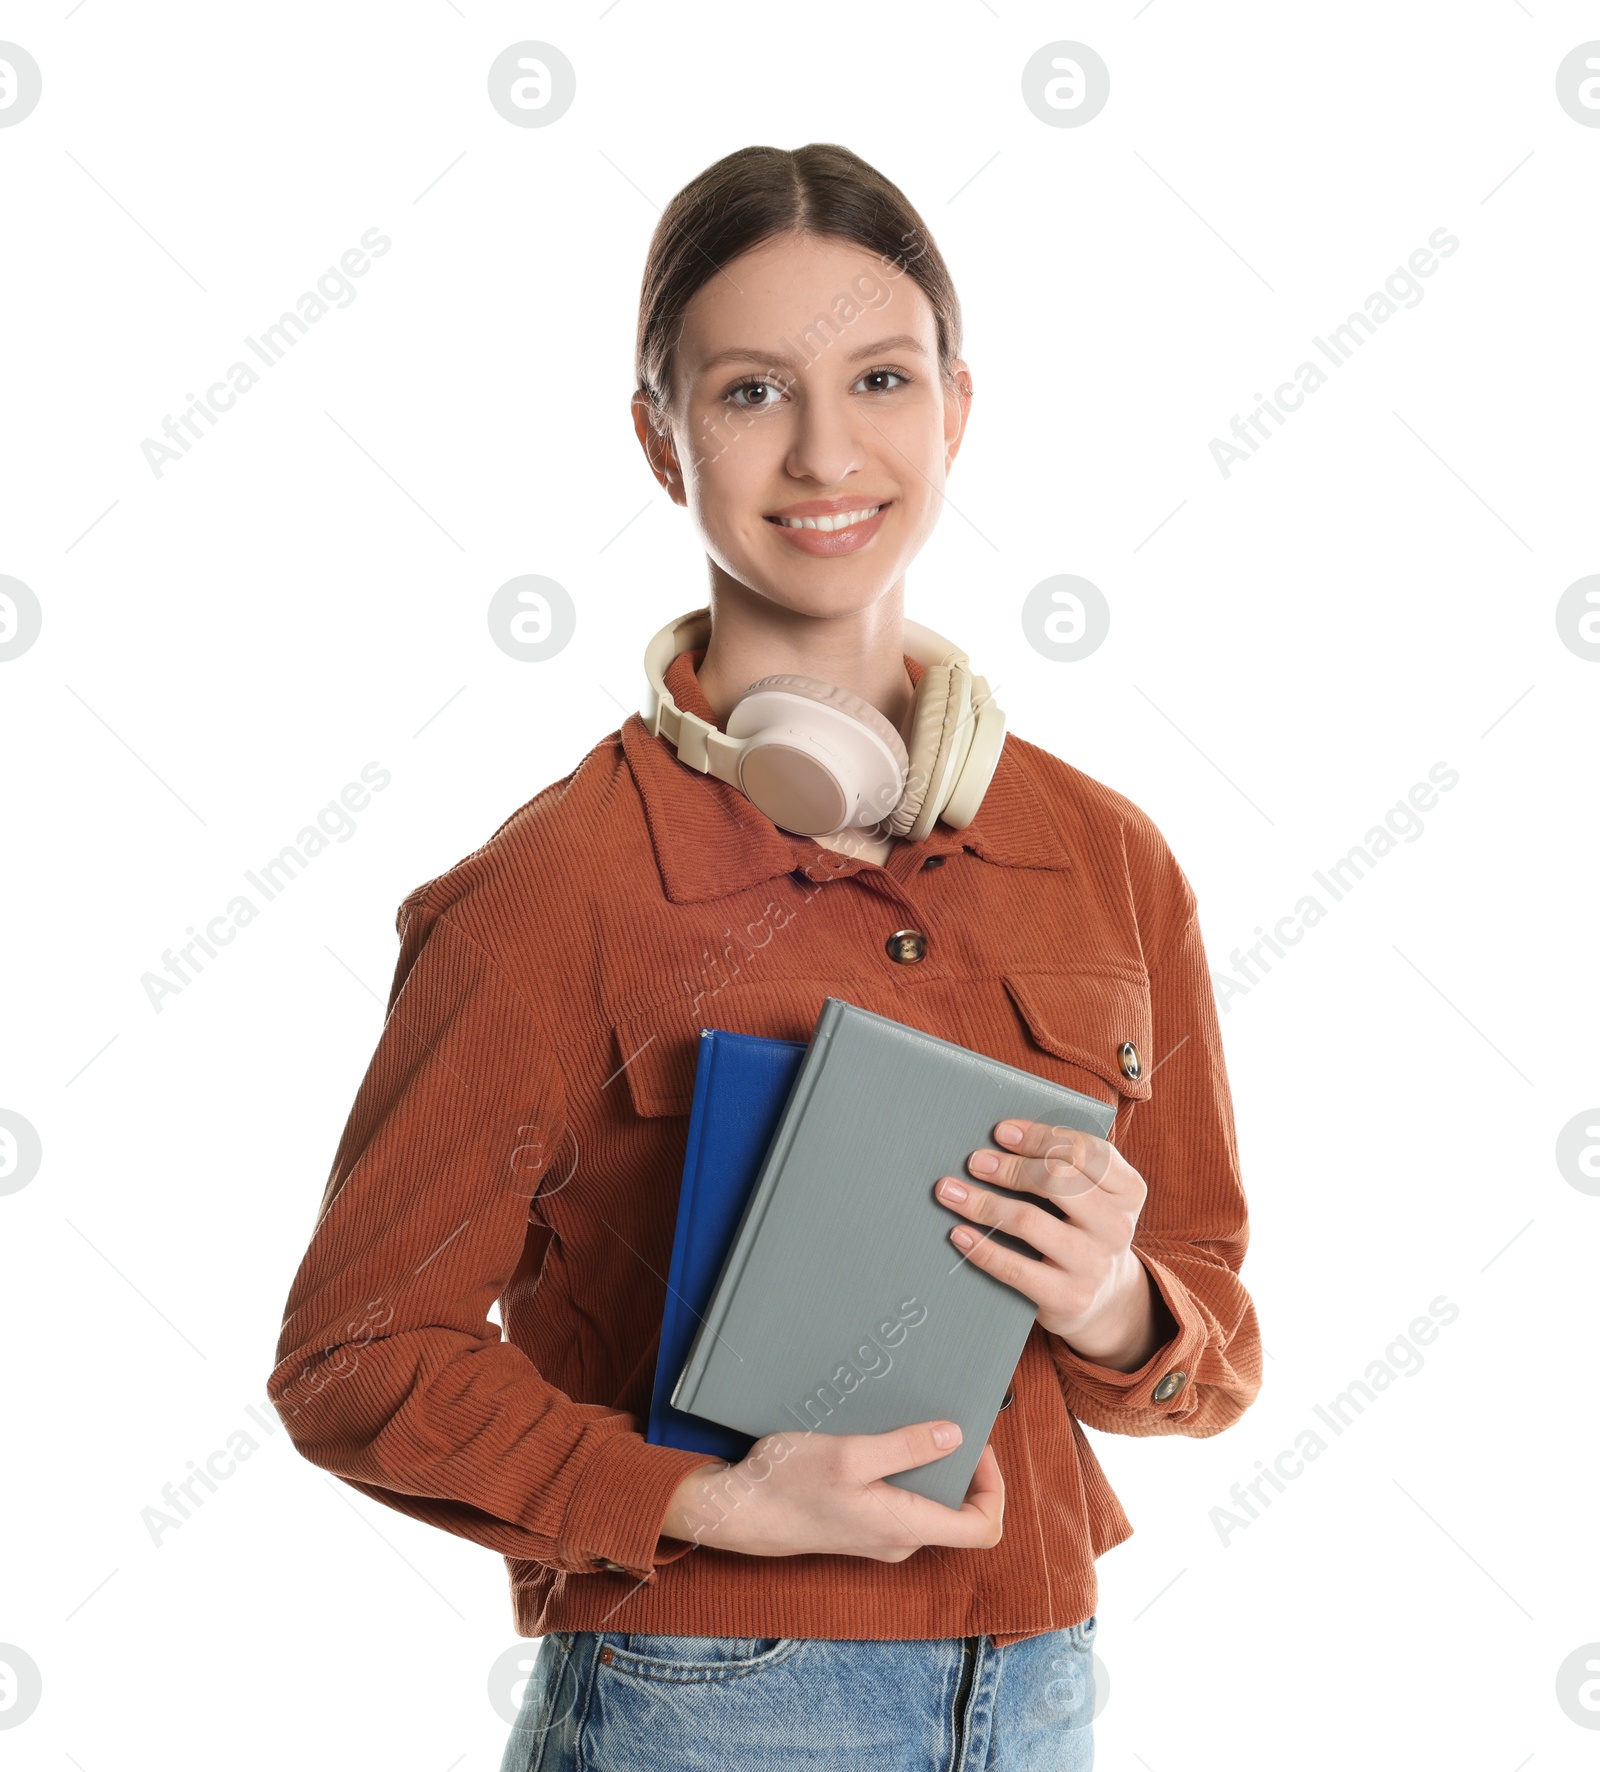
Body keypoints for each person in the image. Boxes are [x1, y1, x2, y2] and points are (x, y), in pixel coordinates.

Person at [267, 142, 1262, 1772]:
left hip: (1045, 1682)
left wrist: (1115, 1305)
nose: (824, 451)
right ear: (660, 439)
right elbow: (355, 1359)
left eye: (879, 377)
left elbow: (1213, 1325)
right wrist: (705, 1498)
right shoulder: (555, 890)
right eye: (747, 392)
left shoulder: (1106, 857)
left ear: (957, 406)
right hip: (709, 1697)